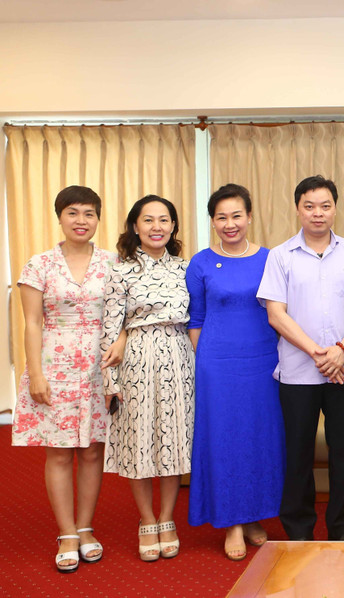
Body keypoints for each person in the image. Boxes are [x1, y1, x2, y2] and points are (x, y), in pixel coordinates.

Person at [257, 175, 344, 541]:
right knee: (298, 456)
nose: (317, 213)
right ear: (298, 209)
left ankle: (342, 530)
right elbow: (276, 314)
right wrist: (319, 354)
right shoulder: (280, 256)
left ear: (335, 208)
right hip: (297, 374)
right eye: (309, 206)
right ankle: (299, 532)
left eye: (325, 206)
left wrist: (340, 351)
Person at [12, 186, 120, 572]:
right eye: (73, 213)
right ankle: (67, 532)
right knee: (58, 451)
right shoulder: (39, 264)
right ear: (59, 217)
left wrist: (119, 348)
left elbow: (123, 317)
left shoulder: (113, 263)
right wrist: (36, 373)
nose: (81, 221)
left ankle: (86, 527)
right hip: (54, 366)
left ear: (98, 219)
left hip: (99, 367)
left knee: (92, 449)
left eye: (89, 213)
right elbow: (31, 322)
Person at [186, 184, 284, 560]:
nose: (230, 224)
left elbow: (281, 312)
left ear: (249, 217)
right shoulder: (201, 262)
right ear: (213, 221)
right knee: (224, 441)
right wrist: (206, 360)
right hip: (218, 366)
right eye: (222, 217)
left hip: (263, 362)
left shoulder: (270, 259)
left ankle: (256, 515)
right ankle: (232, 523)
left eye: (236, 215)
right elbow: (195, 319)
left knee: (260, 439)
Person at [101, 195, 194, 562]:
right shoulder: (120, 270)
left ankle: (167, 518)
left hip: (178, 357)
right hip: (136, 359)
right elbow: (111, 326)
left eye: (164, 220)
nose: (157, 227)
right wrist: (111, 379)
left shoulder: (186, 268)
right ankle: (146, 520)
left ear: (173, 226)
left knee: (171, 439)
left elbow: (196, 318)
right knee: (138, 442)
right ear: (135, 226)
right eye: (148, 220)